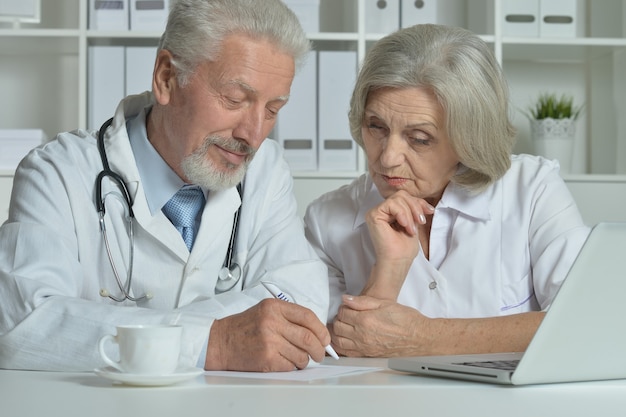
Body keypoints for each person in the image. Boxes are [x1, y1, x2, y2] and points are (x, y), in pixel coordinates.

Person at [0, 0, 331, 372]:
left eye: (272, 110)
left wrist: (113, 330)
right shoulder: (57, 173)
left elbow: (301, 298)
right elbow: (22, 325)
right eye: (235, 99)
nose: (252, 135)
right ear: (166, 78)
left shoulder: (266, 172)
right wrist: (211, 343)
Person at [304, 24, 590, 358]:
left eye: (419, 138)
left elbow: (583, 322)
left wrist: (423, 337)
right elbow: (336, 351)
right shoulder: (326, 220)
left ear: (468, 139)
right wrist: (390, 268)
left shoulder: (532, 190)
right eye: (376, 127)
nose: (387, 157)